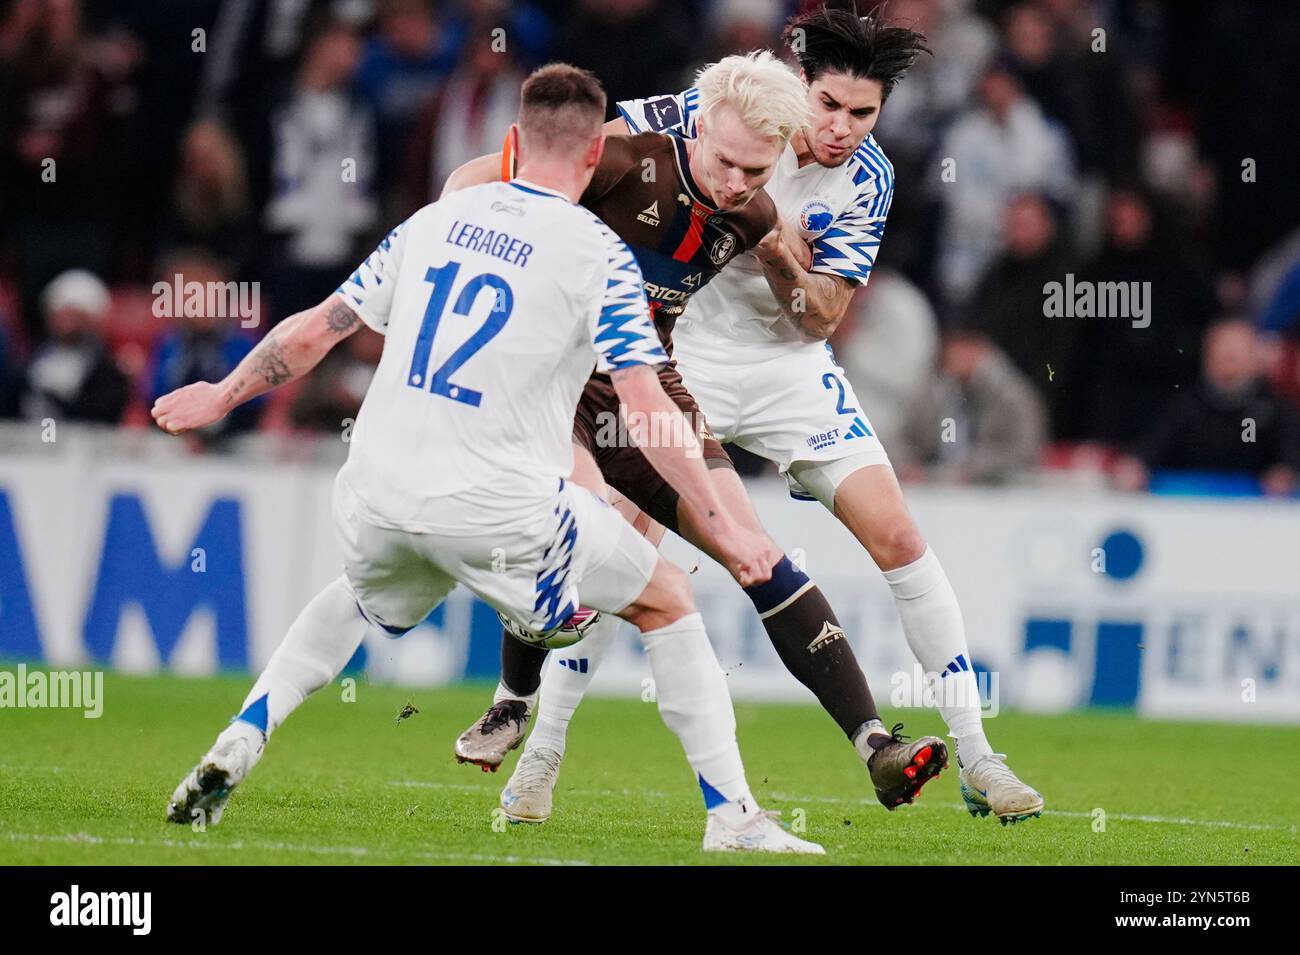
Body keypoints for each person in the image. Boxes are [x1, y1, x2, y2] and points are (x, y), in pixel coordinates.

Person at [153, 63, 822, 854]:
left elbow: (319, 328)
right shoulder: (600, 253)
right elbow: (645, 406)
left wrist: (222, 395)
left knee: (357, 599)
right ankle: (732, 815)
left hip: (376, 491)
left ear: (512, 143)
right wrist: (721, 521)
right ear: (590, 161)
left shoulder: (438, 217)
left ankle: (245, 732)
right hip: (499, 506)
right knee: (668, 598)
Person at [456, 7, 1044, 826]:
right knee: (623, 536)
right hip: (677, 348)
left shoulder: (868, 177)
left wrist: (775, 253)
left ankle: (978, 754)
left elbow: (823, 317)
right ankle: (542, 749)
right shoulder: (703, 116)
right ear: (797, 84)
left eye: (862, 114)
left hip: (787, 370)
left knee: (901, 537)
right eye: (829, 105)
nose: (840, 129)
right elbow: (577, 168)